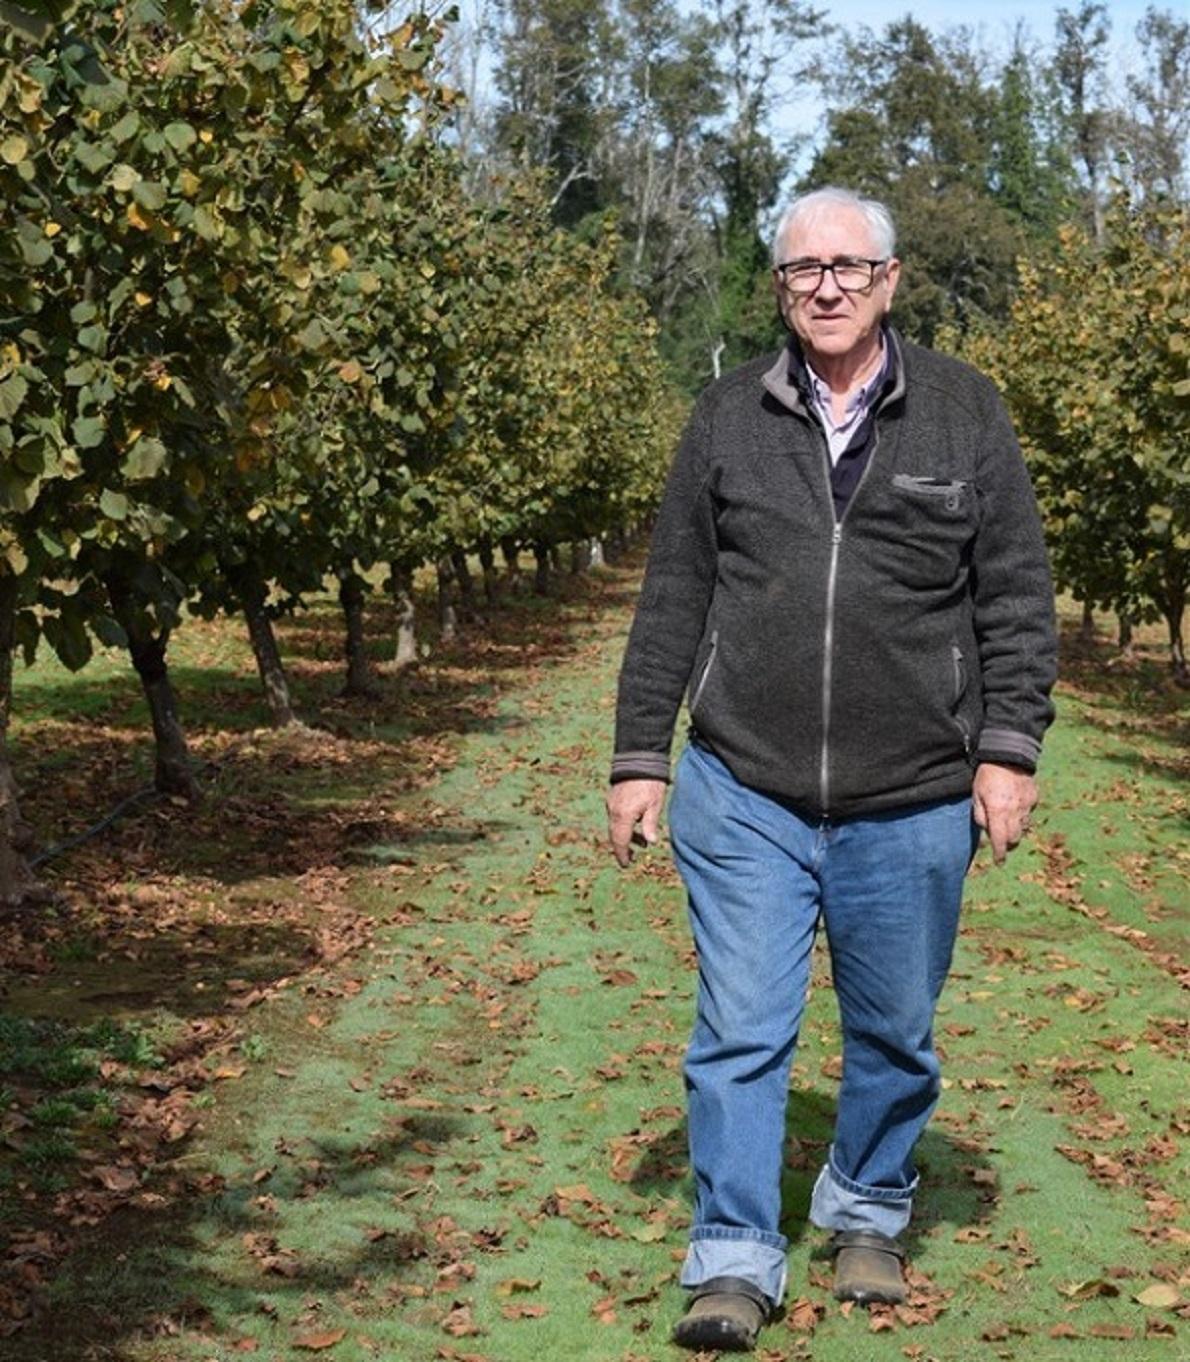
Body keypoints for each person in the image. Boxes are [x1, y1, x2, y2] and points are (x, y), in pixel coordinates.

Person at [605, 186, 1057, 1353]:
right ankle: (732, 1258)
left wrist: (1006, 750)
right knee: (739, 1033)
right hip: (743, 788)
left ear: (890, 280)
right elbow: (671, 597)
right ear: (779, 286)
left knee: (894, 1032)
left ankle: (865, 1209)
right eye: (803, 269)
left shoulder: (962, 411)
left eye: (849, 268)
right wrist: (638, 757)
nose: (825, 287)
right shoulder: (724, 415)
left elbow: (1011, 594)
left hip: (910, 794)